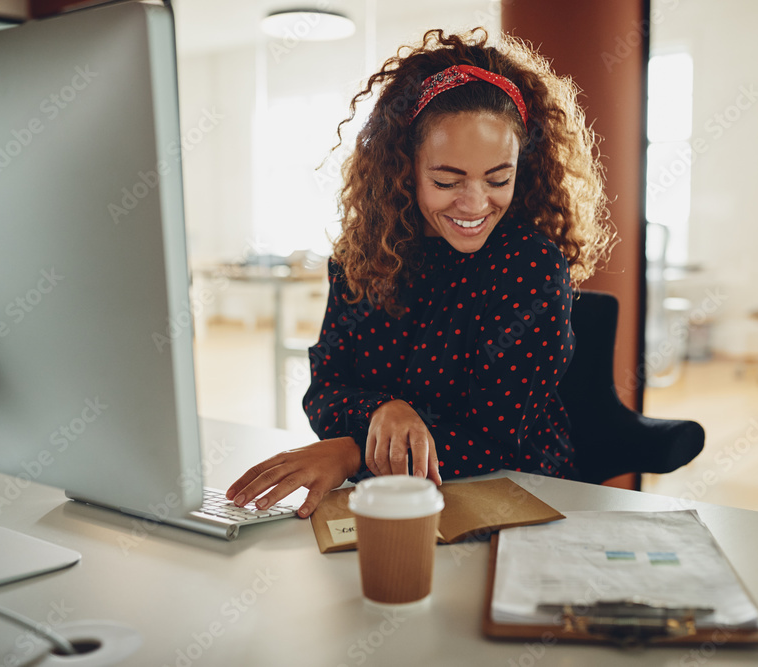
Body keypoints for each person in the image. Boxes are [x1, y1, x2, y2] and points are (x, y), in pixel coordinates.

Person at [227, 27, 614, 518]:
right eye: (446, 180)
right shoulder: (364, 255)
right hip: (392, 496)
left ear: (523, 167)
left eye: (499, 179)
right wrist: (382, 412)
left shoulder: (529, 266)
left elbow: (495, 442)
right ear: (405, 167)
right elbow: (325, 388)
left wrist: (351, 451)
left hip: (513, 493)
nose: (475, 205)